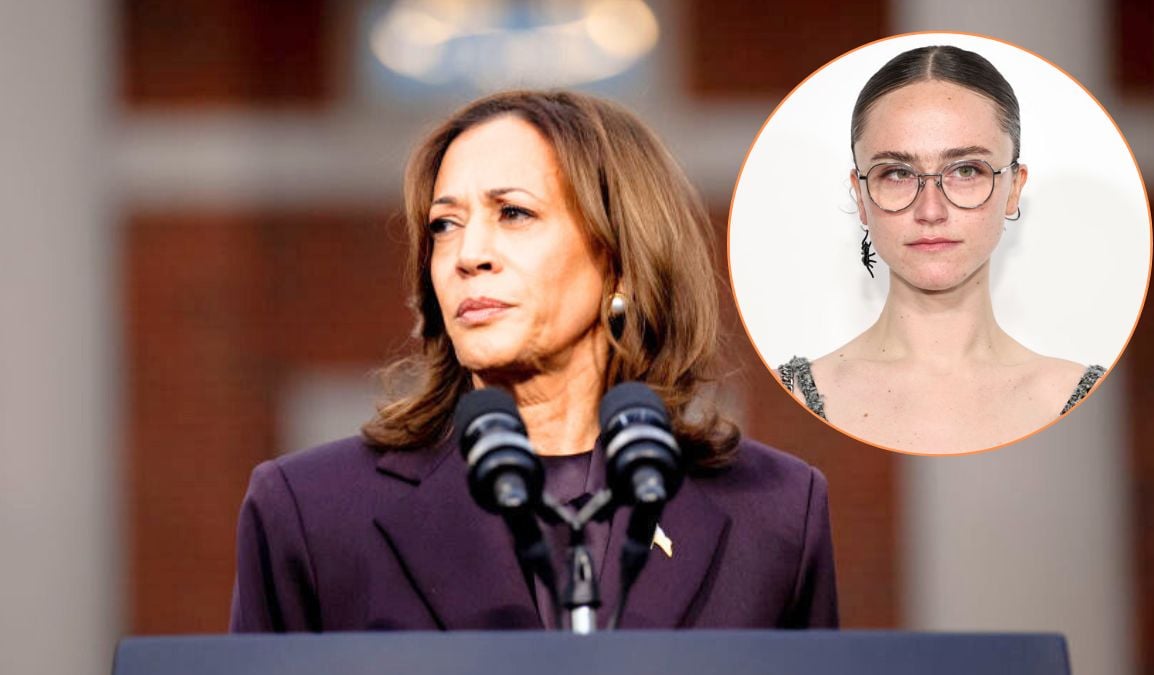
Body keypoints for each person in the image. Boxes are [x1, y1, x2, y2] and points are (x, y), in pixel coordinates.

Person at [230, 90, 838, 631]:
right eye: (444, 225)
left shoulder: (777, 512)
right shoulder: (309, 511)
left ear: (619, 256)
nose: (468, 254)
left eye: (513, 213)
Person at [779, 45, 1105, 454]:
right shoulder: (790, 394)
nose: (930, 210)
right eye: (897, 173)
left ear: (1014, 188)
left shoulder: (1083, 397)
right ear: (861, 196)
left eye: (966, 170)